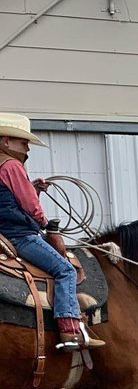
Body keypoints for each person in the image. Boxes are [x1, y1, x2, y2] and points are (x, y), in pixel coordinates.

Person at [0, 112, 104, 349]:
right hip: (20, 236)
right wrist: (45, 222)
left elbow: (8, 201)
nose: (28, 148)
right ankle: (70, 330)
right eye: (24, 142)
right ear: (6, 141)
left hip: (5, 232)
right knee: (65, 269)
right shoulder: (12, 165)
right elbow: (29, 206)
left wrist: (32, 188)